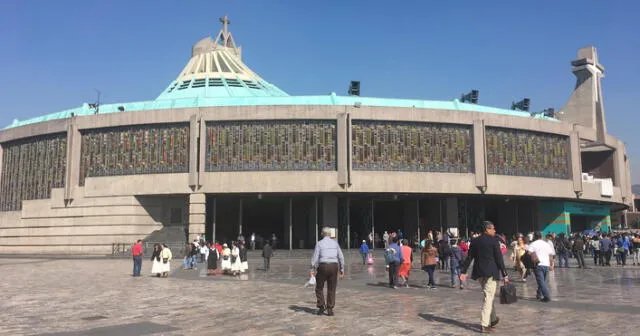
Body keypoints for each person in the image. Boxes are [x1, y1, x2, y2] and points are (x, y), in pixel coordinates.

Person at [460, 221, 508, 334]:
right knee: (488, 298)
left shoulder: (475, 241)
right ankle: (484, 324)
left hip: (479, 272)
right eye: (493, 229)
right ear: (487, 229)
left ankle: (493, 319)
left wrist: (463, 271)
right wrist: (505, 274)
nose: (495, 231)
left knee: (488, 296)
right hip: (491, 272)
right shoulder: (494, 241)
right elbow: (499, 259)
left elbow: (469, 257)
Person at [310, 227, 345, 316]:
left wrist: (312, 269)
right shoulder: (335, 243)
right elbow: (341, 257)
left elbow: (315, 258)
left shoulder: (319, 243)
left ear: (322, 234)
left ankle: (321, 306)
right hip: (334, 266)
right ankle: (330, 309)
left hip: (323, 266)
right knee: (332, 288)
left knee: (319, 287)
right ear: (330, 234)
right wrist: (342, 269)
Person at [528, 233, 555, 302]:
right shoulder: (546, 244)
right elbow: (551, 255)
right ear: (541, 237)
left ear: (534, 237)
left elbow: (528, 253)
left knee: (541, 282)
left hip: (538, 264)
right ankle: (539, 294)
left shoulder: (533, 244)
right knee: (543, 281)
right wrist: (551, 264)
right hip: (546, 264)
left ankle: (546, 296)